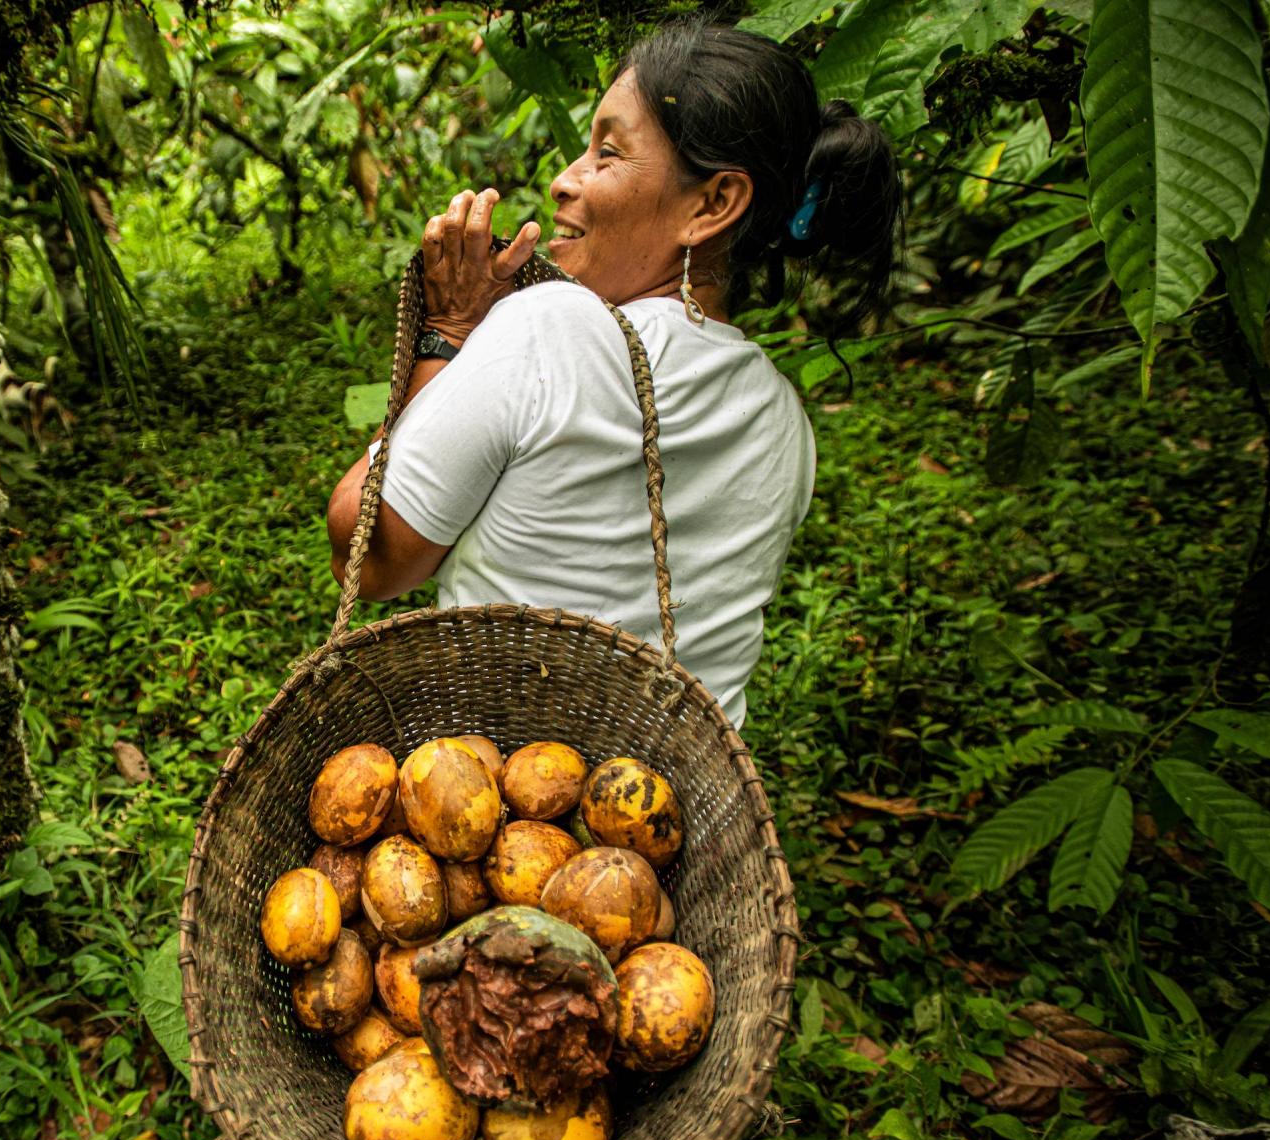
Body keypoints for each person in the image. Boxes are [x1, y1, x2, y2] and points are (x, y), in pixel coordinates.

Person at [323, 18, 901, 728]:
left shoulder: (549, 329)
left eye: (608, 152)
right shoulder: (786, 424)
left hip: (498, 778)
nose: (565, 180)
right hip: (678, 787)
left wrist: (447, 335)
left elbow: (370, 556)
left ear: (713, 204)